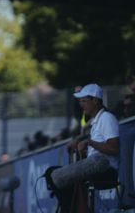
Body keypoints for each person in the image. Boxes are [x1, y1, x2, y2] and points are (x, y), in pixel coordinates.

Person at [46, 83, 119, 212]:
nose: (81, 105)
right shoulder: (97, 120)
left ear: (95, 100)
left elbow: (114, 148)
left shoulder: (107, 118)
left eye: (84, 101)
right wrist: (82, 142)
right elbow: (96, 143)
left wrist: (89, 143)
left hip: (105, 167)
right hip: (96, 162)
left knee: (57, 176)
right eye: (80, 101)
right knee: (51, 173)